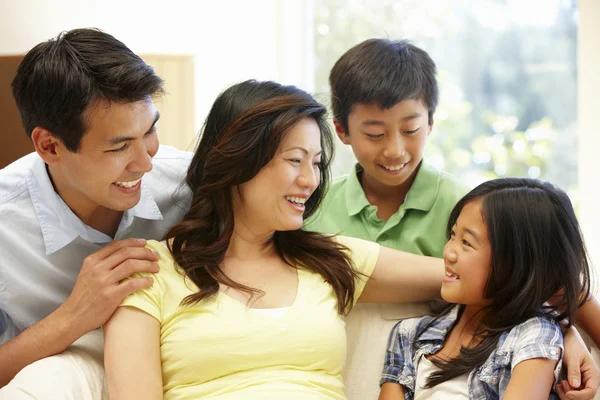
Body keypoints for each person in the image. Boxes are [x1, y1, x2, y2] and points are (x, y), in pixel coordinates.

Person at [103, 79, 446, 400]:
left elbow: (468, 275)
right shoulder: (147, 269)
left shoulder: (330, 259)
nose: (310, 180)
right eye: (295, 160)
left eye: (316, 163)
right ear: (240, 160)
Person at [304, 38, 600, 400]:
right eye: (375, 134)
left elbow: (538, 275)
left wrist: (564, 332)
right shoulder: (312, 208)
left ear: (430, 121)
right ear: (342, 130)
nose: (395, 149)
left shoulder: (467, 209)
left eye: (411, 130)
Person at [0, 28, 191, 398]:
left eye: (149, 132)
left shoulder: (190, 182)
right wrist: (73, 316)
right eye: (119, 148)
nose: (145, 163)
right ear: (49, 146)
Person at [379, 178, 590, 399]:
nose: (448, 252)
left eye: (467, 243)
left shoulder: (534, 335)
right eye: (453, 235)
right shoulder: (409, 333)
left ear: (515, 263)